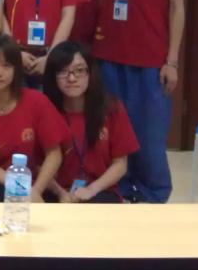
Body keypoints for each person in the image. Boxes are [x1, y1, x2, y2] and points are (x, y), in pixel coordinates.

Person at [93, 0, 187, 204]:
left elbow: (177, 5)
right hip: (108, 57)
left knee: (148, 135)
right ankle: (121, 191)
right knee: (114, 133)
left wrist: (171, 61)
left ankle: (153, 196)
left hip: (149, 60)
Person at [0, 33, 68, 202]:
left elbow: (54, 154)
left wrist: (35, 191)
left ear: (16, 69)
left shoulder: (37, 101)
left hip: (35, 185)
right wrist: (22, 190)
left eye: (6, 66)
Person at [42, 42, 139, 203]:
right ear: (53, 76)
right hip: (54, 190)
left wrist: (91, 190)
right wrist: (60, 193)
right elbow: (37, 165)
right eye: (63, 71)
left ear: (90, 73)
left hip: (100, 190)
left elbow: (120, 164)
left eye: (79, 70)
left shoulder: (112, 108)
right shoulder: (44, 109)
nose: (71, 78)